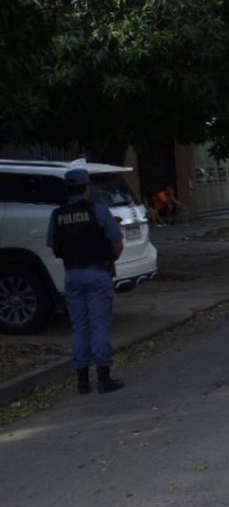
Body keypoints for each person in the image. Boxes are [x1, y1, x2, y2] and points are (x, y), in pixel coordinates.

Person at [46, 168, 125, 395]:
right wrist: (107, 258)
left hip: (72, 274)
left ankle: (82, 381)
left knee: (80, 326)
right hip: (97, 273)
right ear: (86, 187)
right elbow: (117, 244)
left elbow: (54, 247)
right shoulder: (97, 211)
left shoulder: (57, 215)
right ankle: (103, 377)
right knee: (99, 325)